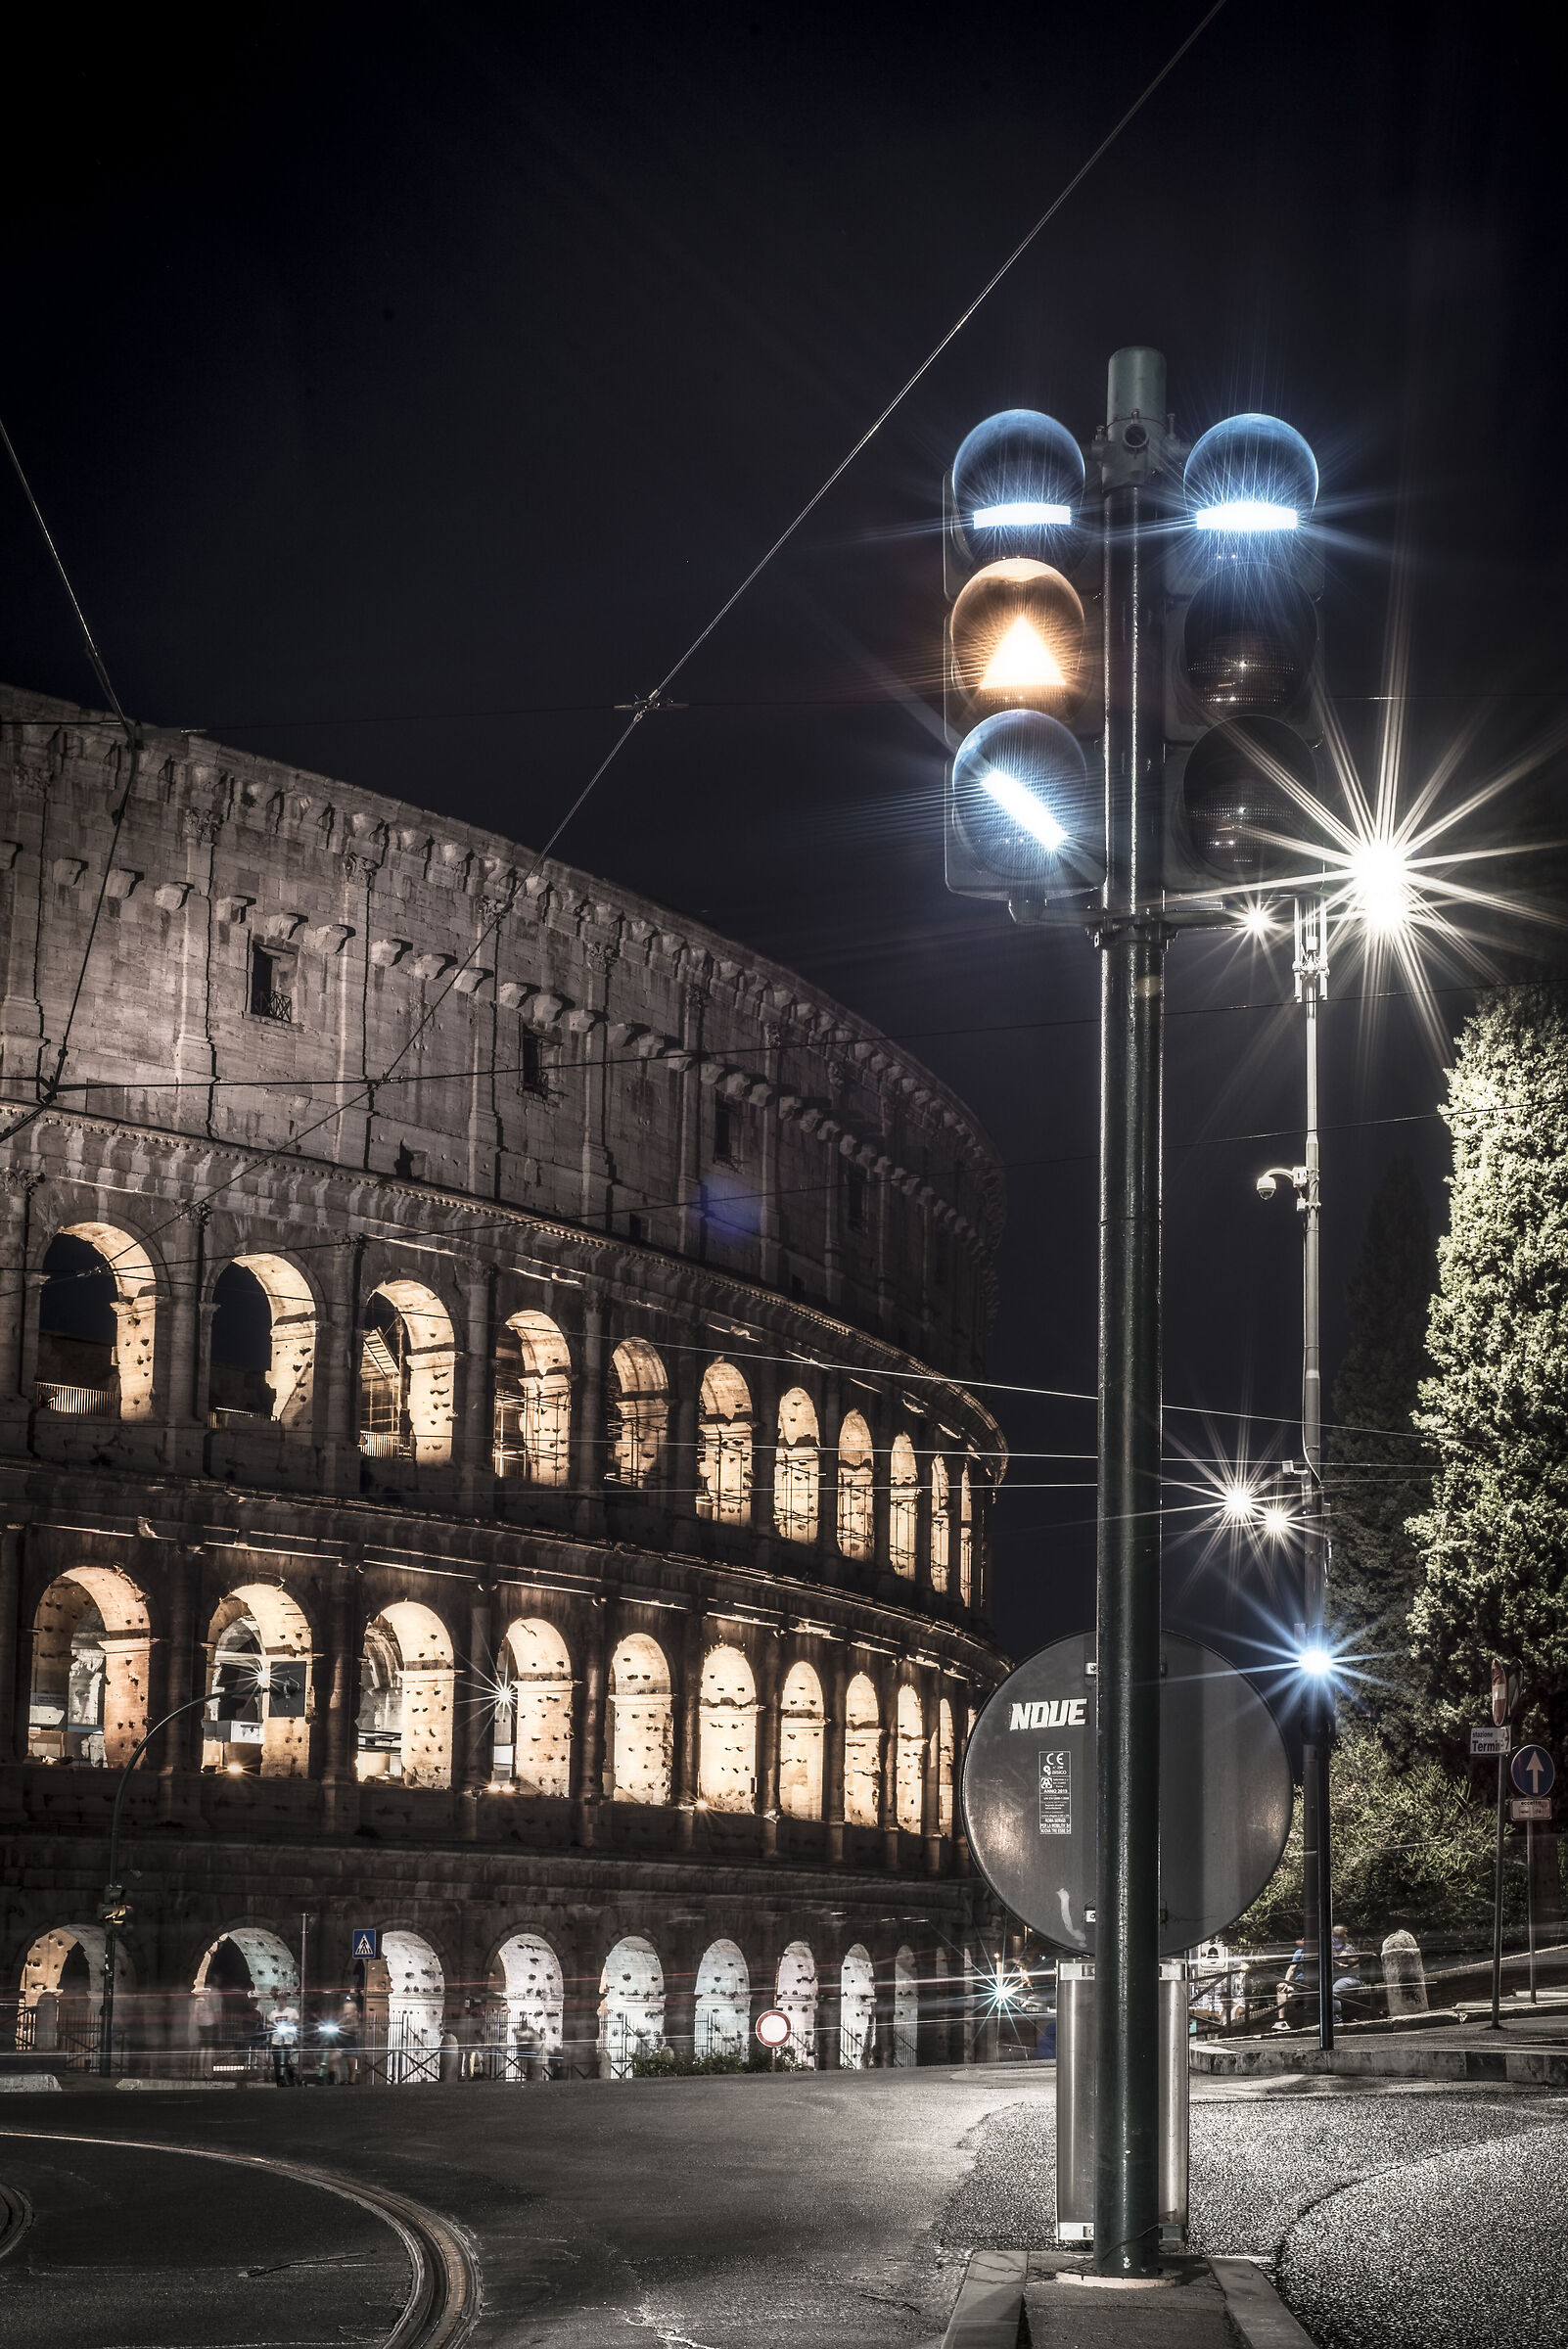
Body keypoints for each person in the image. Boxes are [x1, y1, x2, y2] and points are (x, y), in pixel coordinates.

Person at [1273, 1938, 1306, 2030]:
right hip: (1298, 1983)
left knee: (1292, 1997)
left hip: (1310, 1984)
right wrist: (1285, 1982)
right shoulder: (1299, 1952)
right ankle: (1282, 2022)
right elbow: (1292, 1968)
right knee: (1281, 1990)